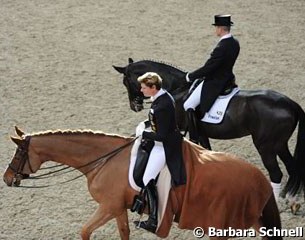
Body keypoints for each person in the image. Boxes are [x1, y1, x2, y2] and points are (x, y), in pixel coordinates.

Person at [134, 72, 186, 233]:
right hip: (161, 139)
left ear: (153, 88)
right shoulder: (160, 97)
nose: (141, 90)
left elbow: (162, 136)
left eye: (143, 88)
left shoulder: (162, 105)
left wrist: (143, 133)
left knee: (146, 177)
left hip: (164, 146)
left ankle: (153, 219)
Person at [183, 14, 240, 145]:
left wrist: (190, 76)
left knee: (188, 105)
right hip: (228, 79)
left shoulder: (221, 47)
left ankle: (194, 139)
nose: (216, 30)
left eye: (216, 28)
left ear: (220, 28)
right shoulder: (235, 43)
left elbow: (209, 67)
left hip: (216, 81)